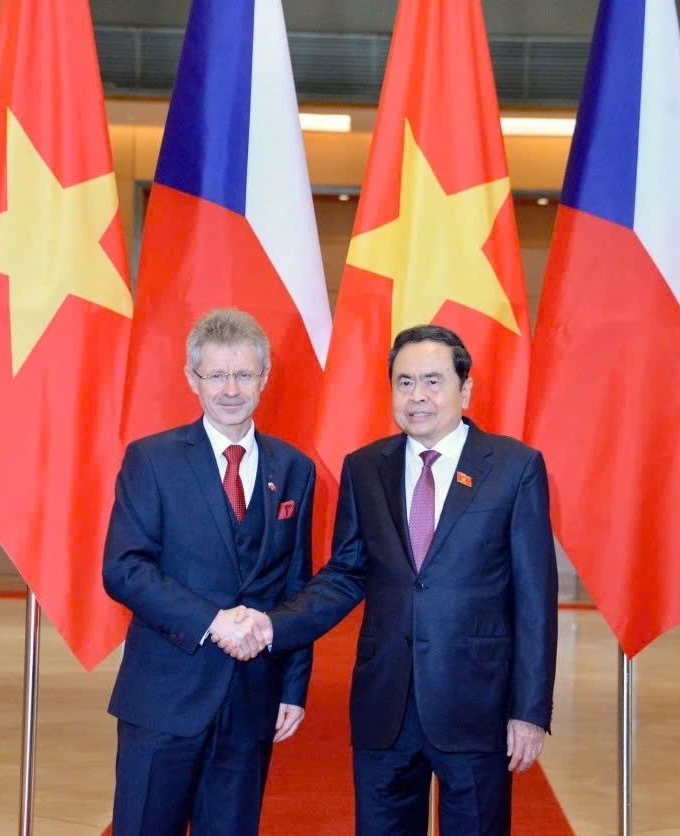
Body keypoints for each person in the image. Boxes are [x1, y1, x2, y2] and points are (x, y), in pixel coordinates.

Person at [214, 324, 558, 836]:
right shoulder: (365, 467)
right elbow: (347, 573)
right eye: (404, 382)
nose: (417, 395)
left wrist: (530, 710)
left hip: (476, 703)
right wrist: (272, 626)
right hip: (384, 701)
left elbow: (536, 598)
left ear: (465, 389)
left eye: (433, 381)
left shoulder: (514, 467)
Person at [101, 308, 316, 836]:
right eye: (215, 374)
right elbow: (124, 568)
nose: (230, 389)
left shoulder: (294, 469)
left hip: (252, 700)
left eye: (243, 374)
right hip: (164, 698)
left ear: (264, 378)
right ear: (191, 379)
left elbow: (297, 585)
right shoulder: (151, 460)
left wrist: (292, 686)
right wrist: (212, 621)